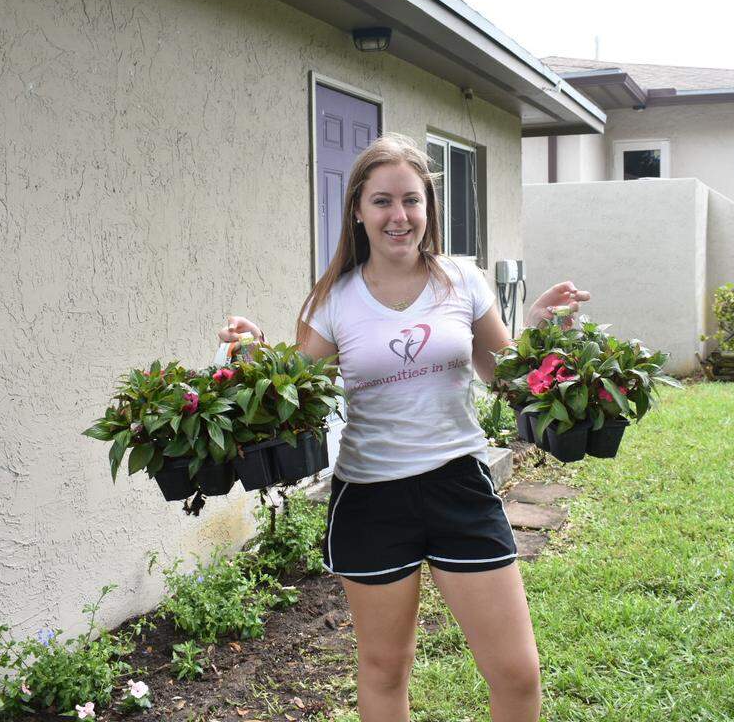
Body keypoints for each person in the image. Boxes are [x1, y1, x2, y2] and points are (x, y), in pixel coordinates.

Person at [218, 133, 587, 722]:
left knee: (517, 672)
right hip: (371, 496)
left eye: (411, 201)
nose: (399, 216)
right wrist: (255, 352)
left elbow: (503, 374)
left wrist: (538, 326)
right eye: (383, 201)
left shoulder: (461, 280)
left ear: (428, 209)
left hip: (459, 486)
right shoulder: (332, 299)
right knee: (385, 669)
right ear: (359, 211)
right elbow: (290, 395)